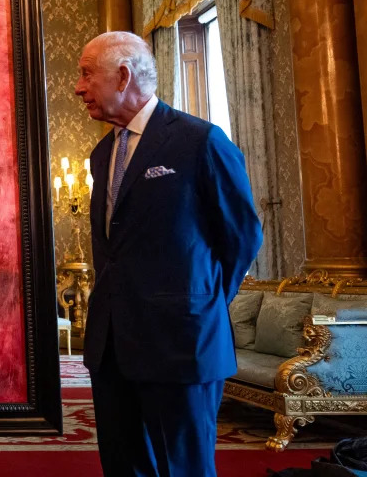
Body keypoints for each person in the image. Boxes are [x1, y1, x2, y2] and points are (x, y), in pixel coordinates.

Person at [74, 31, 262, 475]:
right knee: (124, 466)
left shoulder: (200, 142)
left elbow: (242, 236)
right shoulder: (103, 154)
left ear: (122, 76)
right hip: (112, 347)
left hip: (180, 345)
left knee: (184, 469)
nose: (78, 87)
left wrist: (200, 303)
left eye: (86, 75)